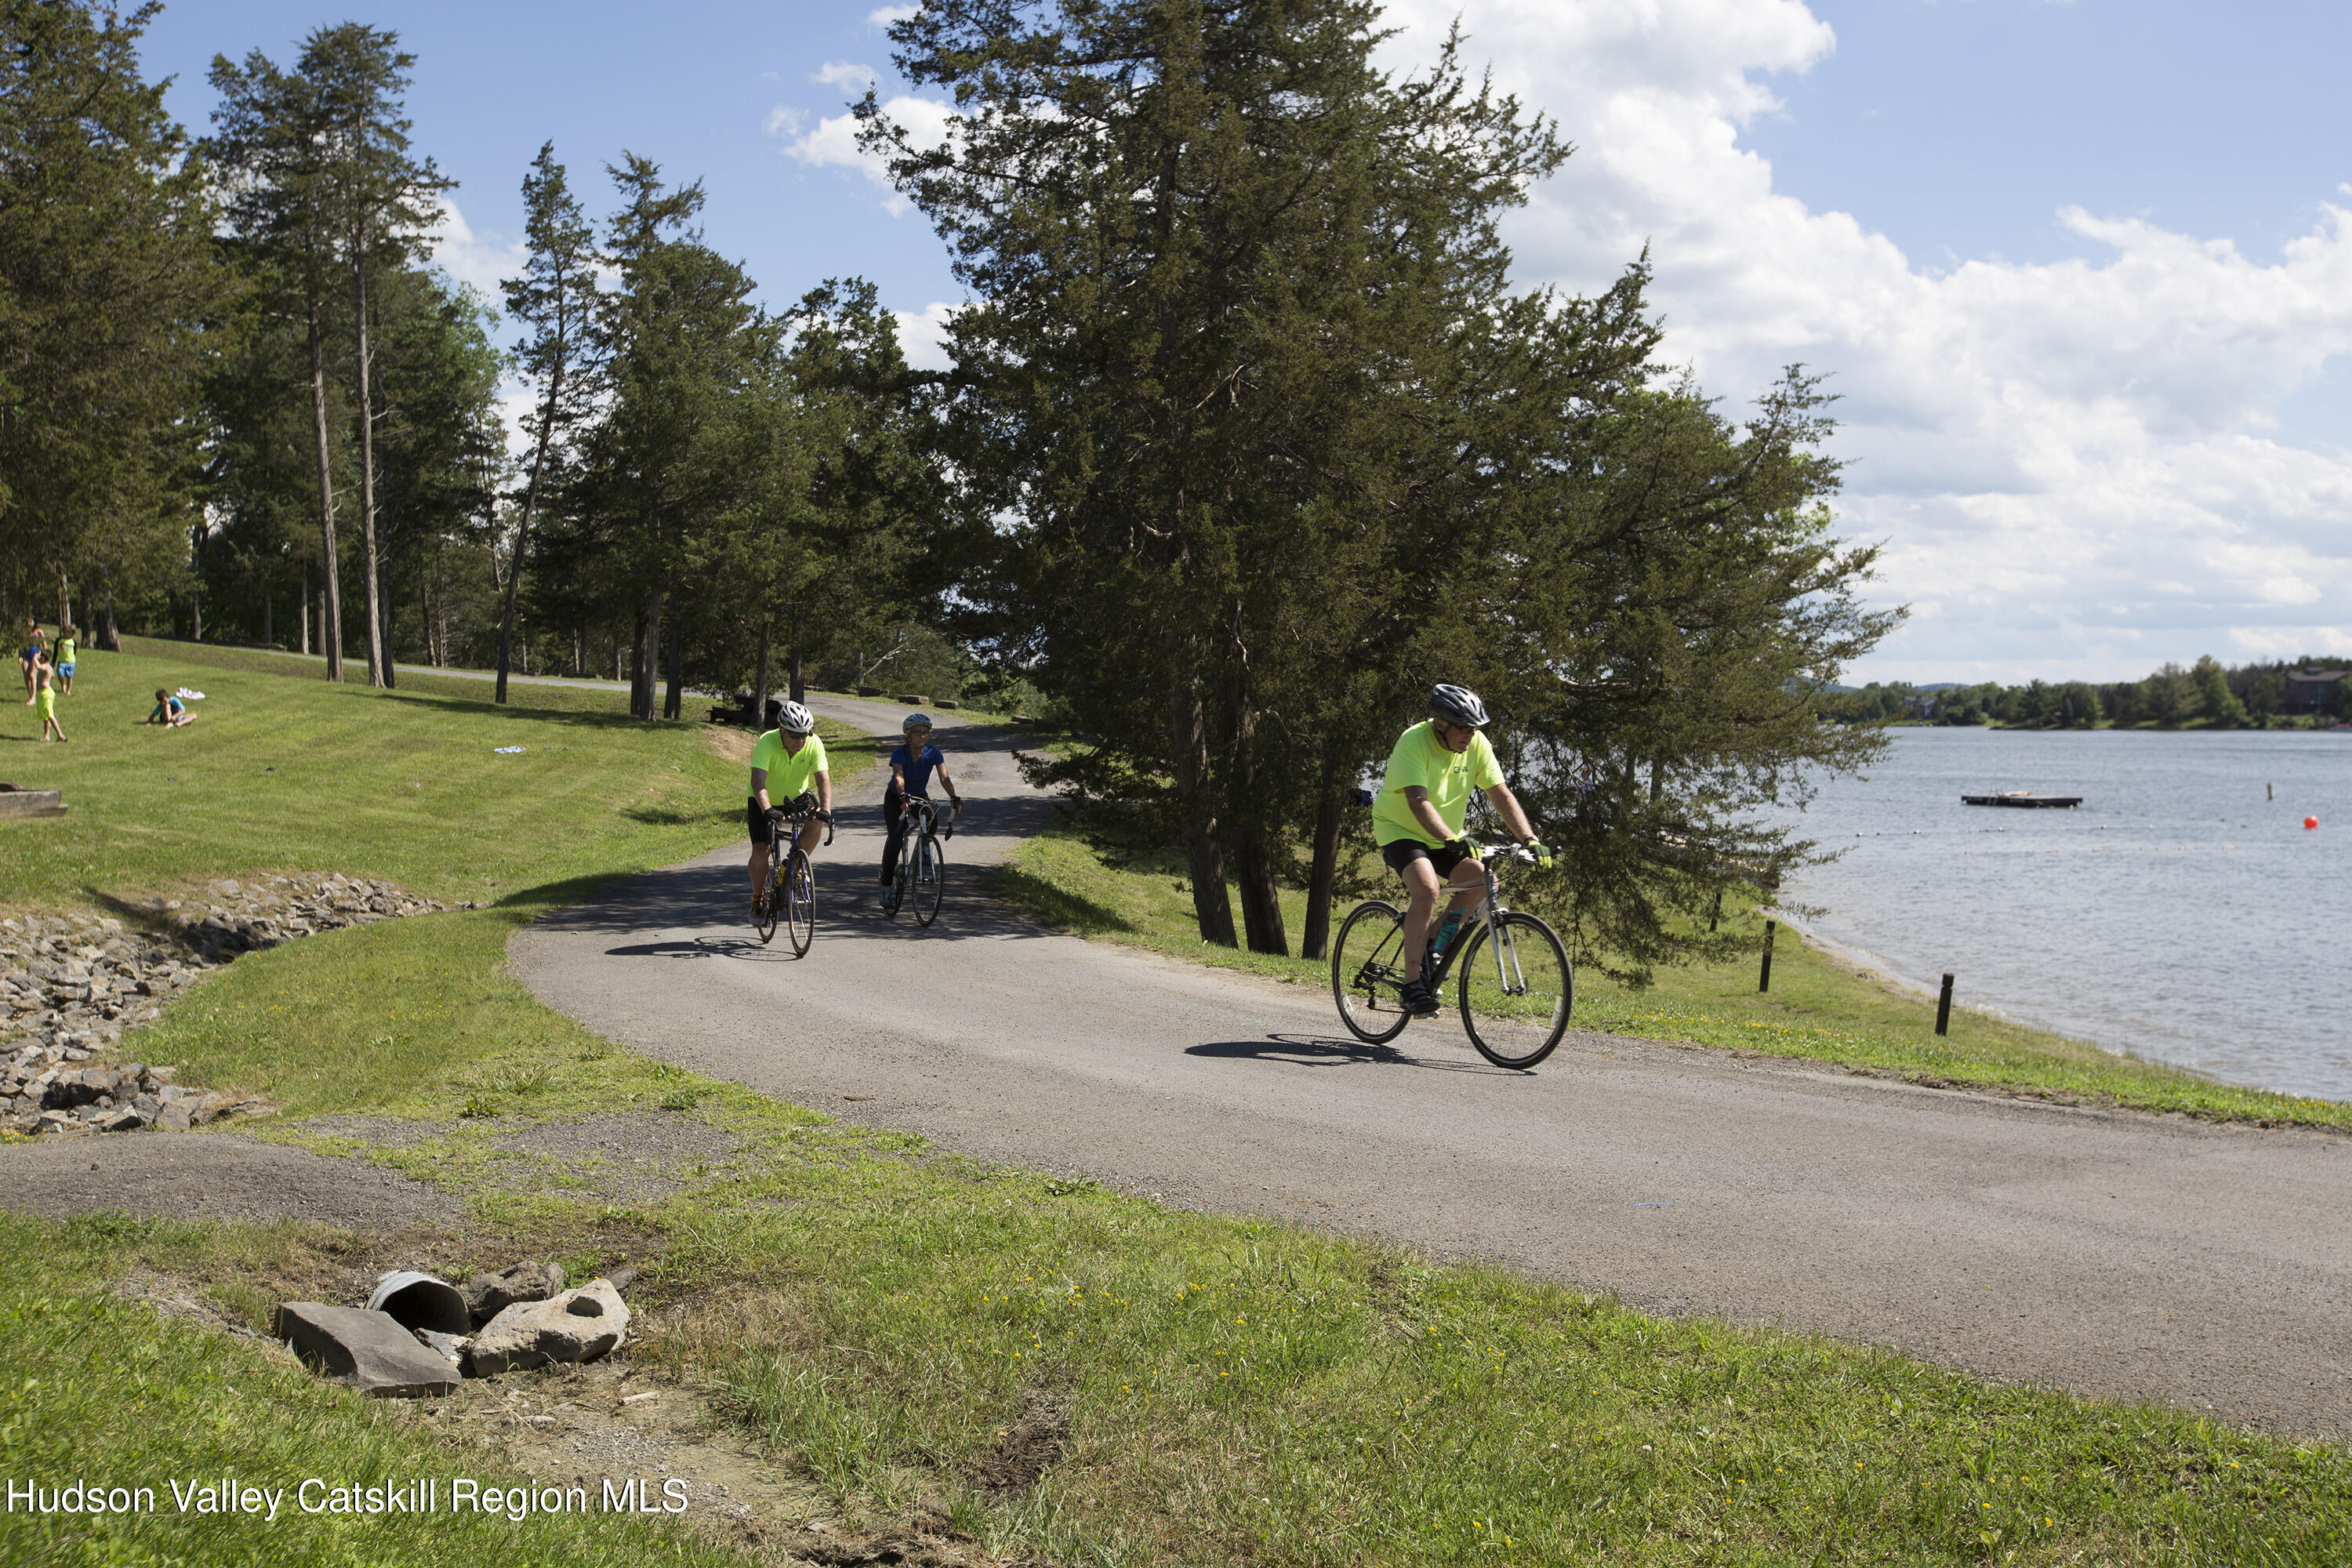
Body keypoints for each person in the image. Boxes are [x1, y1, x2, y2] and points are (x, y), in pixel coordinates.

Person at [1372, 683, 1553, 1016]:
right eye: (1464, 728)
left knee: (1485, 883)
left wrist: (1530, 838)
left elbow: (1500, 795)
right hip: (1401, 830)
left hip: (1446, 834)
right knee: (1427, 889)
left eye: (1474, 729)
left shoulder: (1477, 745)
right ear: (1441, 724)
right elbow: (1418, 801)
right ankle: (1412, 986)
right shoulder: (1413, 741)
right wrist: (1452, 838)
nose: (1470, 736)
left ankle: (1433, 942)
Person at [746, 699, 832, 918]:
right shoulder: (767, 742)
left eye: (805, 734)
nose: (801, 740)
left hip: (796, 797)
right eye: (794, 735)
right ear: (781, 730)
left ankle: (795, 864)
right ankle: (758, 897)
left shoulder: (814, 743)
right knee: (760, 851)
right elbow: (758, 782)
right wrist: (767, 810)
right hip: (763, 799)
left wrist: (827, 810)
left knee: (817, 818)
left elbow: (823, 780)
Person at [877, 713, 962, 904]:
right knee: (896, 838)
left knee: (932, 819)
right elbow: (898, 776)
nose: (922, 736)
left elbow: (944, 778)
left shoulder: (934, 753)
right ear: (908, 735)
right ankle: (886, 885)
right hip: (896, 797)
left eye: (925, 733)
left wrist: (953, 797)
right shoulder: (900, 753)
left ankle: (924, 847)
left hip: (919, 796)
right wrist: (902, 794)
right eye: (917, 733)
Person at [31, 652, 64, 742]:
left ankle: (60, 735)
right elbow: (52, 676)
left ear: (44, 658)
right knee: (46, 716)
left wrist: (34, 657)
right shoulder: (48, 668)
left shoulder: (45, 666)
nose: (39, 658)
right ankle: (47, 736)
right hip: (43, 693)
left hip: (46, 693)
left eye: (40, 657)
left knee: (49, 714)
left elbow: (38, 667)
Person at [53, 623, 75, 696]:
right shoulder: (59, 640)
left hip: (71, 662)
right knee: (60, 674)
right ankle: (63, 685)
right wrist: (54, 661)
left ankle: (68, 690)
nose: (66, 634)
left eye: (68, 632)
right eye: (65, 632)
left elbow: (74, 651)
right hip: (61, 661)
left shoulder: (73, 641)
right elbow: (55, 651)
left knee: (70, 676)